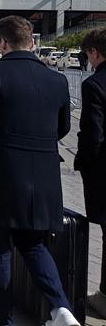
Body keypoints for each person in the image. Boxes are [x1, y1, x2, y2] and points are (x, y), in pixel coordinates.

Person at [0, 16, 78, 326]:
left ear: (2, 44)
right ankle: (61, 309)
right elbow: (62, 127)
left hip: (0, 177)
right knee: (34, 245)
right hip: (44, 178)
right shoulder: (57, 80)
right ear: (33, 42)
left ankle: (1, 320)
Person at [75, 28, 106, 318]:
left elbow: (92, 134)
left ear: (94, 52)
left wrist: (82, 163)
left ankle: (104, 298)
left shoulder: (95, 84)